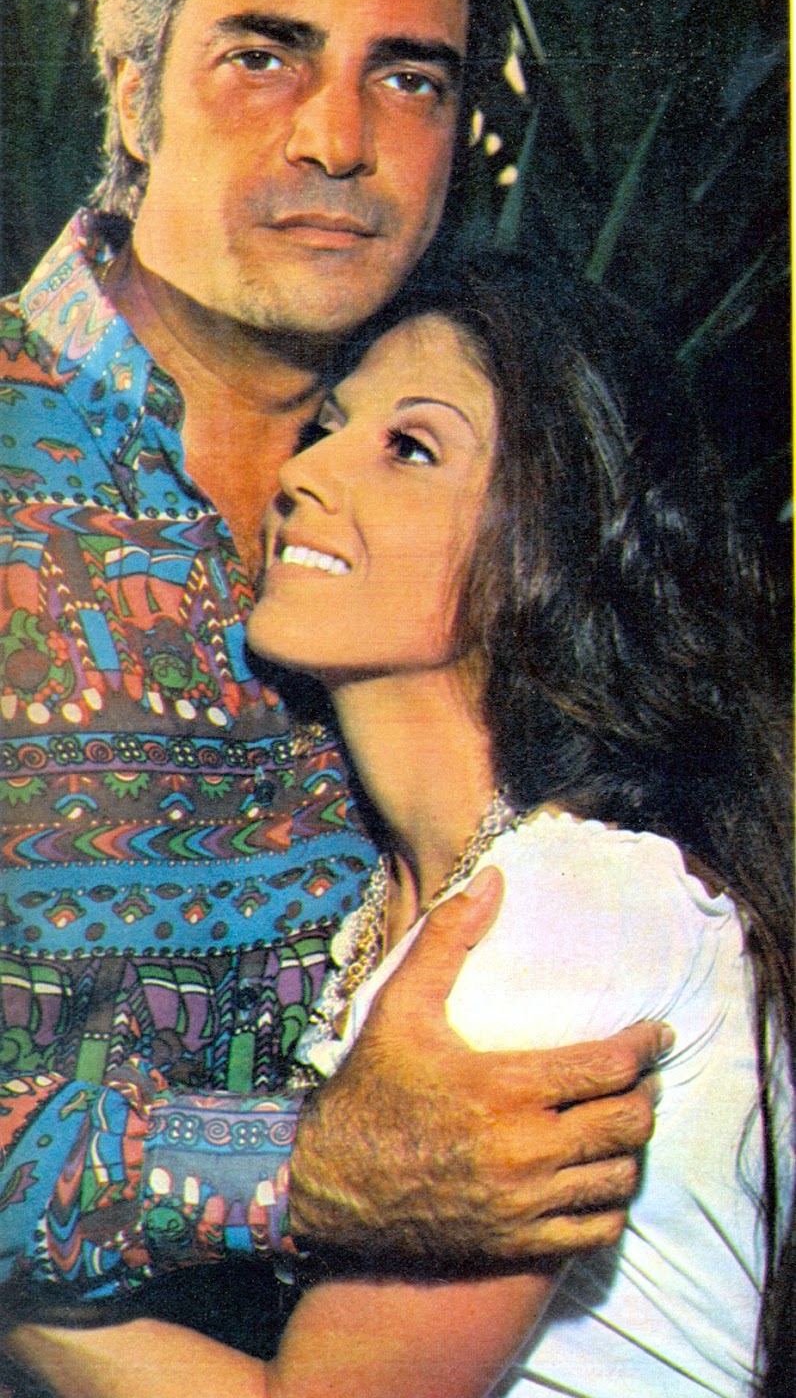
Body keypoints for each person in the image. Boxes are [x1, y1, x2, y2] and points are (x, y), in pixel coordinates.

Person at [0, 0, 666, 1391]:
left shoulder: (494, 497)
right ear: (134, 91)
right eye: (264, 55)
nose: (336, 139)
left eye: (408, 77)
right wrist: (293, 1167)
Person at [16, 255, 793, 1397]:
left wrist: (18, 1298)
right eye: (330, 427)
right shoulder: (384, 901)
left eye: (410, 448)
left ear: (547, 544)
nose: (306, 471)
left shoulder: (567, 905)